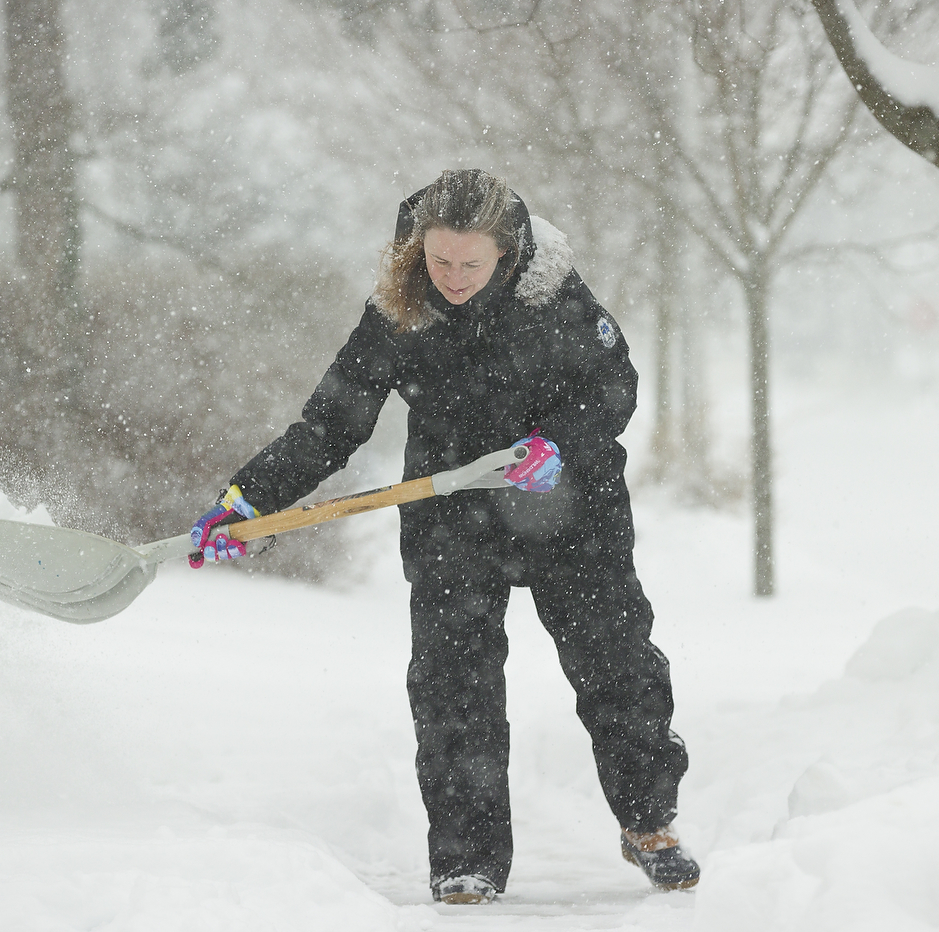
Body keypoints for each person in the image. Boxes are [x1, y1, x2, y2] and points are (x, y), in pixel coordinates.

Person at [190, 169, 698, 904]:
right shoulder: (400, 309)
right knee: (454, 686)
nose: (452, 279)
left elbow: (614, 386)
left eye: (470, 264)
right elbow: (332, 422)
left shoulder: (554, 298)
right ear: (415, 249)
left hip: (570, 507)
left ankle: (650, 821)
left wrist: (556, 441)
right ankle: (468, 857)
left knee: (616, 663)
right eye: (438, 260)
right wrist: (247, 498)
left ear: (508, 254)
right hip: (453, 510)